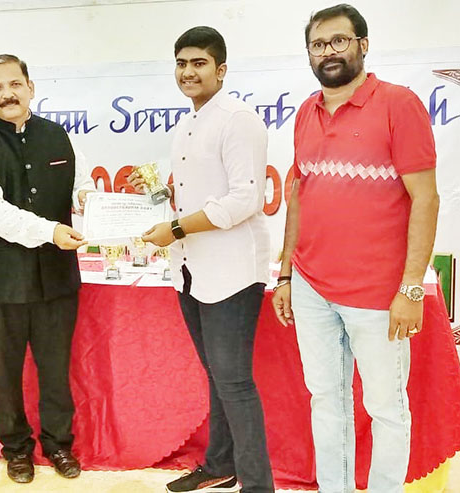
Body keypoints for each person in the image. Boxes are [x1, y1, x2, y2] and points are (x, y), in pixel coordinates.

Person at [271, 4, 439, 492]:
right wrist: (286, 274)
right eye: (318, 44)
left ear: (363, 45)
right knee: (326, 400)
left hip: (379, 294)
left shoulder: (399, 104)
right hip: (311, 289)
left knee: (386, 408)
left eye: (339, 41)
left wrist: (410, 288)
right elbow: (298, 197)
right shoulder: (306, 112)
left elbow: (425, 199)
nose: (328, 52)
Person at [136, 27, 274, 493]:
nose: (188, 72)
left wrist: (175, 229)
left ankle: (258, 486)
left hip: (233, 271)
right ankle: (219, 466)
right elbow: (191, 197)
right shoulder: (188, 124)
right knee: (217, 376)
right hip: (192, 270)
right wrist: (155, 193)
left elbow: (244, 200)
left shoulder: (238, 120)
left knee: (234, 382)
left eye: (199, 63)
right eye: (181, 63)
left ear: (221, 69)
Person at [0, 54, 95, 484]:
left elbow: (82, 186)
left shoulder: (59, 137)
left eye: (15, 84)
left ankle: (58, 444)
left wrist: (90, 202)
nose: (7, 94)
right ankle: (16, 449)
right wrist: (51, 230)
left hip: (57, 280)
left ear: (31, 88)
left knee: (56, 370)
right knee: (7, 374)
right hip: (0, 286)